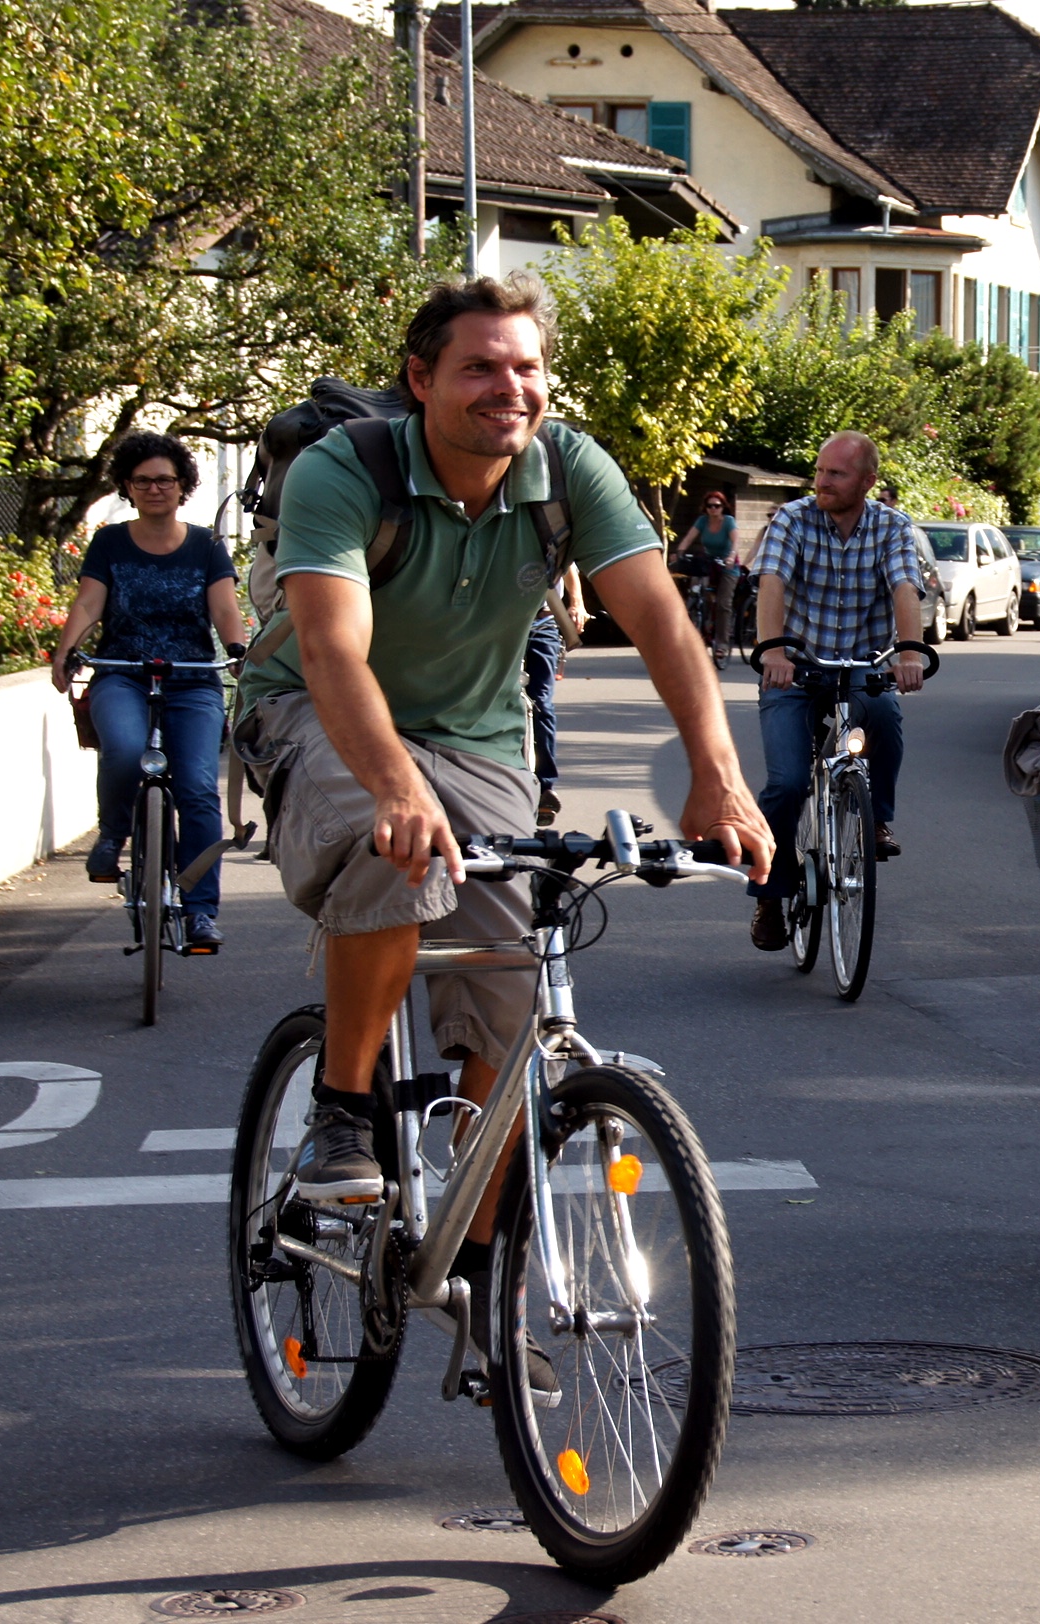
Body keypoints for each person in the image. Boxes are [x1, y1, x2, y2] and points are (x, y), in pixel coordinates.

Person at [234, 274, 769, 1377]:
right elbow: (331, 648)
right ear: (422, 378)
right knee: (398, 852)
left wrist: (719, 776)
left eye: (526, 367)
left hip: (477, 738)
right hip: (314, 713)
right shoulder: (347, 469)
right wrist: (394, 785)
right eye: (479, 366)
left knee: (518, 996)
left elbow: (660, 618)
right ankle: (342, 1111)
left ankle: (473, 1269)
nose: (508, 387)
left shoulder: (567, 468)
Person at [51, 432, 249, 954]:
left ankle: (201, 911)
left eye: (164, 480)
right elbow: (89, 603)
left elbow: (224, 608)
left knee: (198, 788)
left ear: (182, 485)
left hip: (191, 678)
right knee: (122, 749)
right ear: (128, 487)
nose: (154, 489)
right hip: (122, 673)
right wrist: (67, 649)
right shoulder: (110, 542)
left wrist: (237, 648)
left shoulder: (206, 545)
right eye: (142, 481)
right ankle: (112, 835)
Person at [747, 431, 927, 951]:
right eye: (820, 471)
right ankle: (770, 895)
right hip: (796, 670)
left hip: (861, 667)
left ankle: (877, 820)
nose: (822, 481)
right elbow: (772, 583)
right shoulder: (793, 519)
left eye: (836, 474)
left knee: (886, 718)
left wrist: (909, 653)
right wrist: (773, 652)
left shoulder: (892, 527)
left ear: (868, 481)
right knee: (785, 783)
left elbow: (905, 588)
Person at [522, 562, 583, 826]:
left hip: (543, 623)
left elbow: (569, 567)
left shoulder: (550, 538)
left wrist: (577, 604)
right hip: (501, 625)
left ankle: (545, 787)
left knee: (542, 703)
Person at [670, 490, 736, 648]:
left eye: (717, 506)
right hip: (708, 562)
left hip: (726, 563)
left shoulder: (728, 521)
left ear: (723, 507)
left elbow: (736, 541)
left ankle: (722, 644)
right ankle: (696, 625)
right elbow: (688, 538)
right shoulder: (702, 521)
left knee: (723, 604)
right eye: (709, 506)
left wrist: (731, 556)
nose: (713, 509)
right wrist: (679, 553)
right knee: (696, 591)